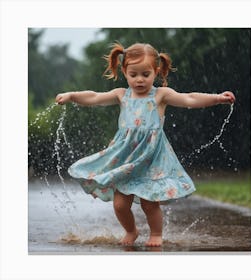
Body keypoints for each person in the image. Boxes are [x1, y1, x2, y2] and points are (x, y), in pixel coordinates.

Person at [55, 42, 235, 247]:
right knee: (120, 204)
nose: (139, 79)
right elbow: (94, 97)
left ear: (156, 72)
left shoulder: (160, 95)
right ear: (124, 72)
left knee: (150, 204)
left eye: (145, 74)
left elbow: (189, 99)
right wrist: (71, 96)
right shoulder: (121, 95)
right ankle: (131, 231)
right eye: (134, 74)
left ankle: (156, 234)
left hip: (151, 160)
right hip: (126, 159)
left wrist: (218, 98)